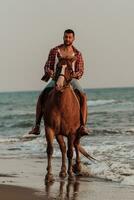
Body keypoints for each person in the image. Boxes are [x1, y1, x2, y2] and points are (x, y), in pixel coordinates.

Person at [29, 29, 89, 136]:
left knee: (83, 96)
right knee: (41, 95)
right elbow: (47, 65)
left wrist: (75, 75)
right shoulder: (55, 51)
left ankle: (83, 126)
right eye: (66, 37)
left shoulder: (77, 54)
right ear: (63, 37)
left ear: (73, 39)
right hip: (56, 78)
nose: (68, 39)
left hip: (71, 80)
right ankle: (37, 125)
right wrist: (49, 71)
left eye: (70, 37)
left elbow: (80, 70)